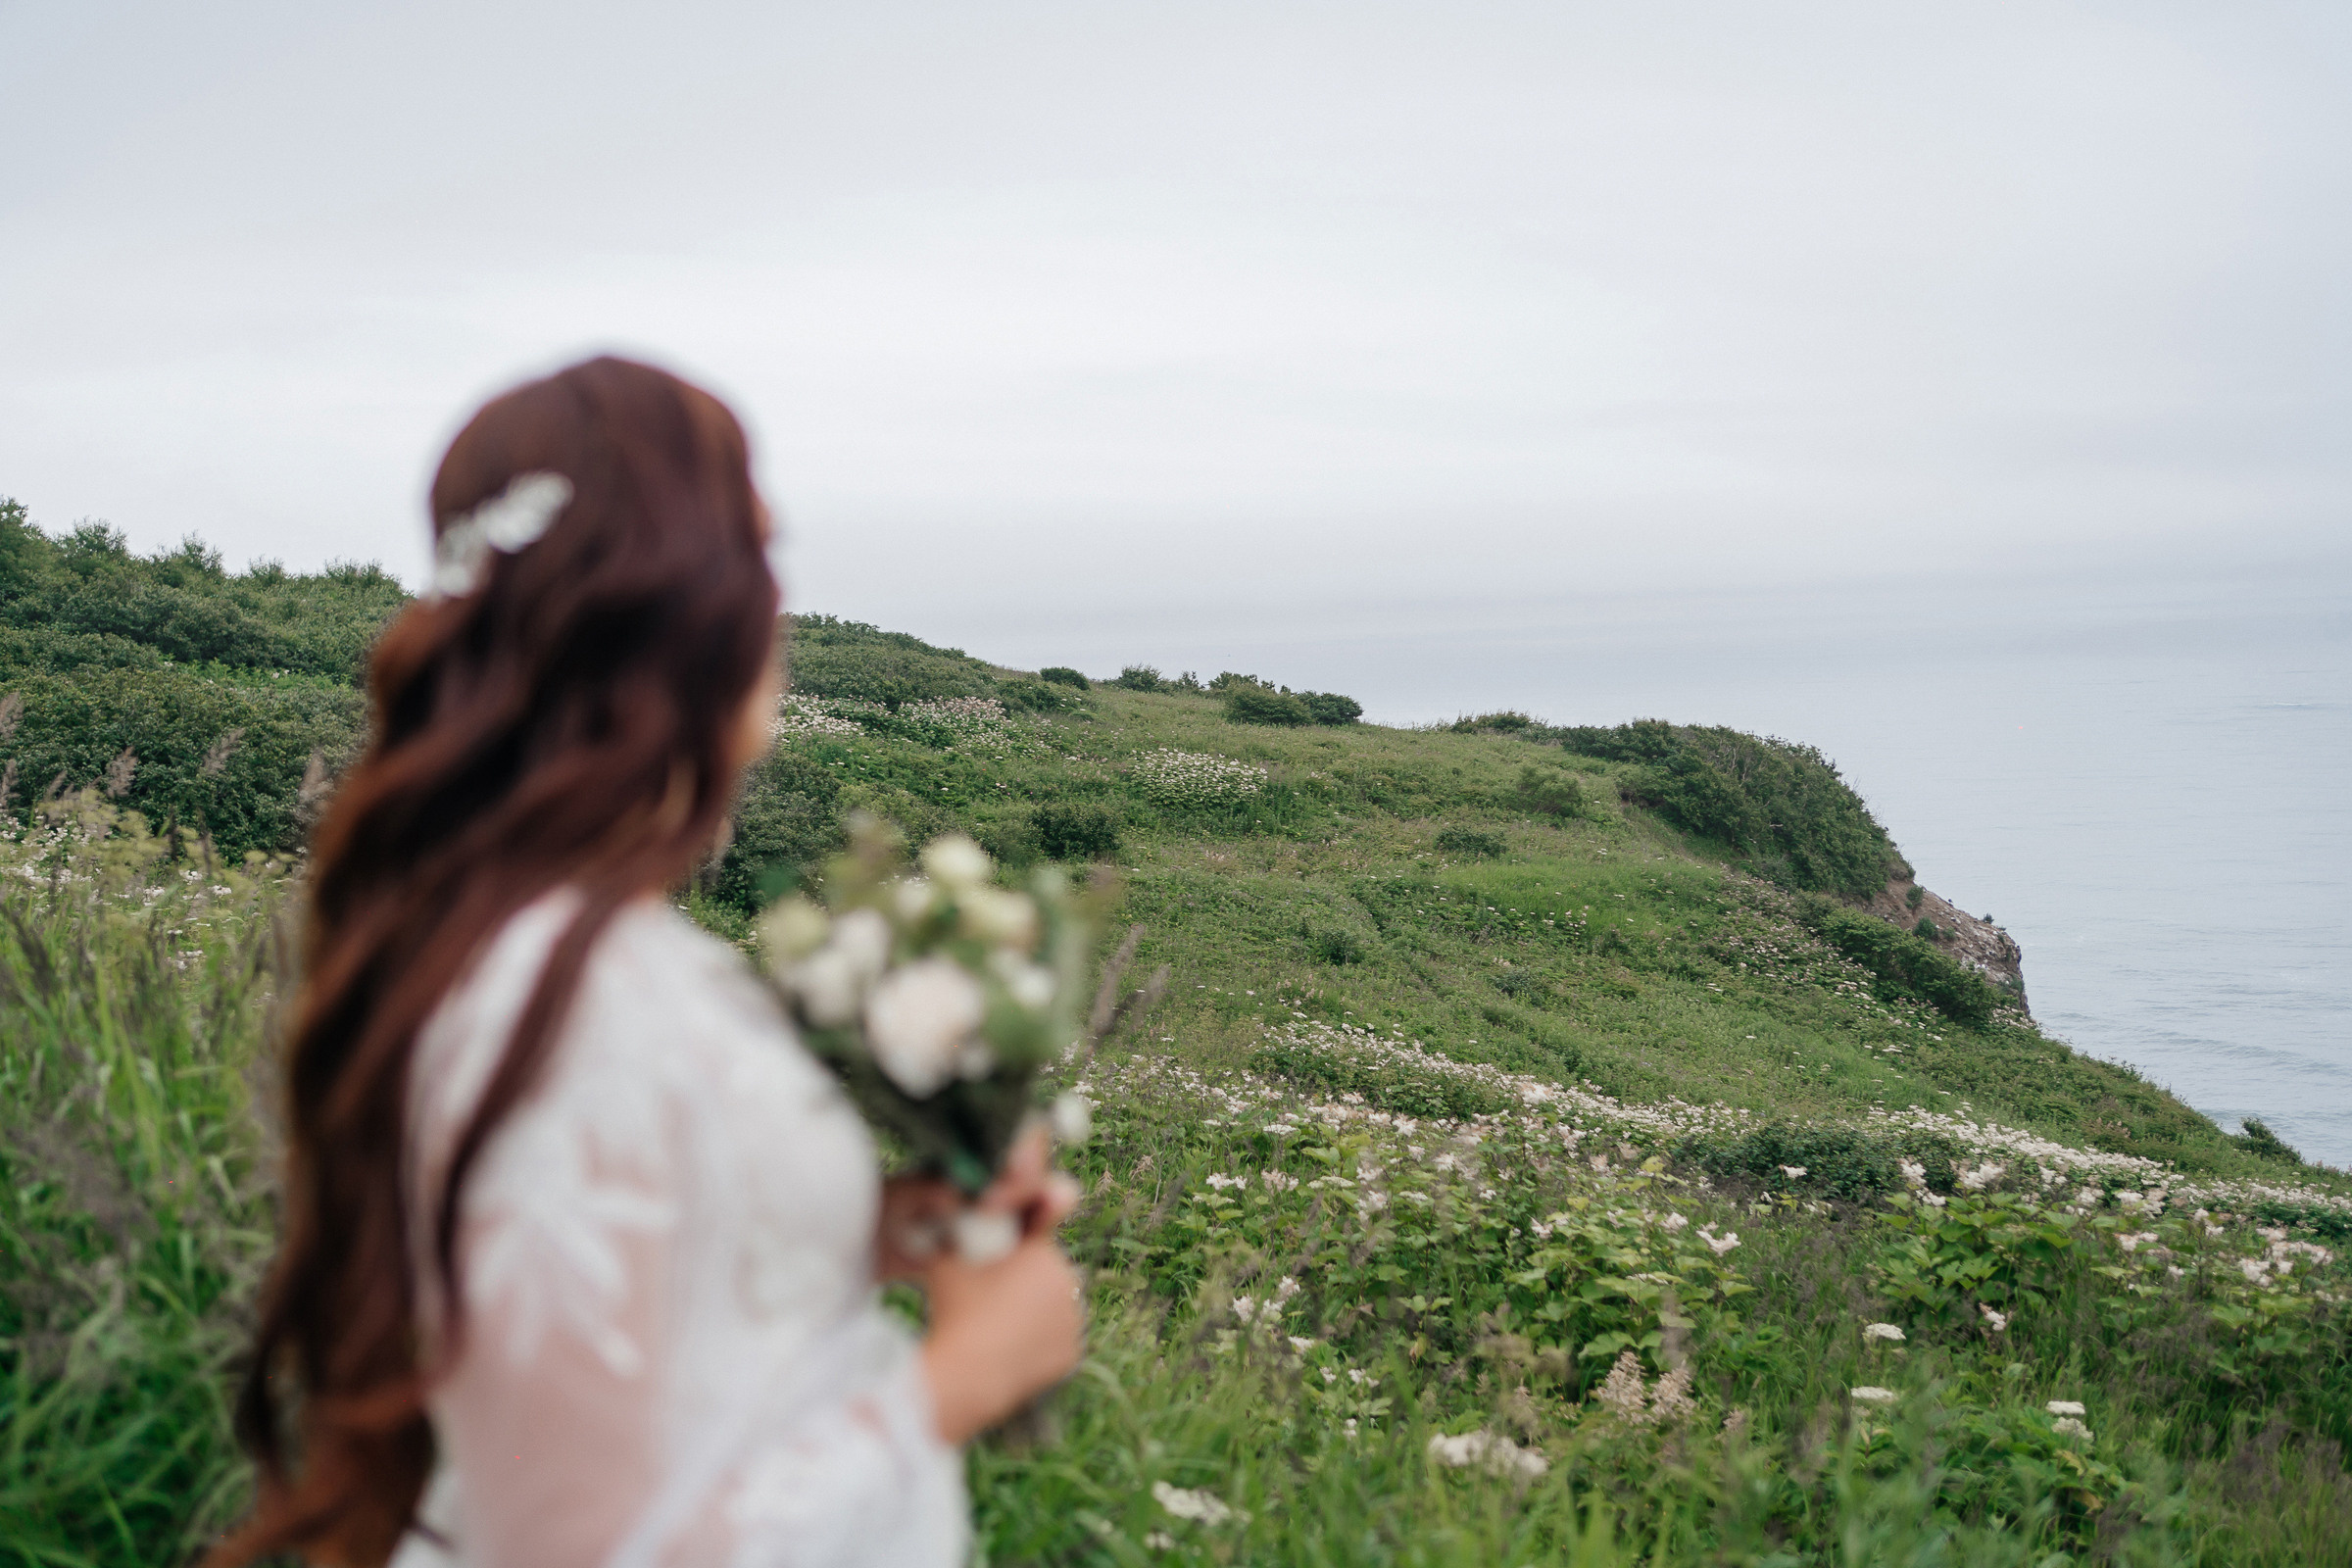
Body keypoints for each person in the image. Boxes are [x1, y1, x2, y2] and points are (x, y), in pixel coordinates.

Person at [213, 357, 1085, 1567]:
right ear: (689, 605)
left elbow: (622, 1316)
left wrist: (859, 1235)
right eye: (758, 548)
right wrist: (961, 1379)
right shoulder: (557, 995)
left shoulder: (559, 948)